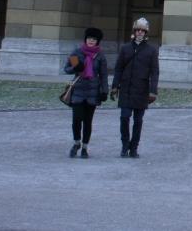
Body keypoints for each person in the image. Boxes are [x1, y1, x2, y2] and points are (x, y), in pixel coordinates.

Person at [111, 17, 159, 159]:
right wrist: (115, 86)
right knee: (124, 118)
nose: (139, 33)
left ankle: (134, 147)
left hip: (142, 90)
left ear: (145, 33)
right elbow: (118, 68)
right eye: (137, 30)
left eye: (142, 31)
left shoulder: (151, 50)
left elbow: (154, 72)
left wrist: (153, 91)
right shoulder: (125, 48)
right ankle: (125, 145)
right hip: (126, 88)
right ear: (134, 31)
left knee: (138, 121)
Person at [62, 26, 108, 159]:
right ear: (85, 39)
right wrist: (76, 67)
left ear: (97, 41)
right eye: (89, 38)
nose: (91, 41)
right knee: (76, 119)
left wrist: (104, 90)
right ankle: (76, 142)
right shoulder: (77, 53)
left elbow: (103, 75)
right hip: (78, 91)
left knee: (88, 121)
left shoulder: (100, 55)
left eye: (94, 39)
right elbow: (67, 69)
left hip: (93, 92)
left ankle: (85, 147)